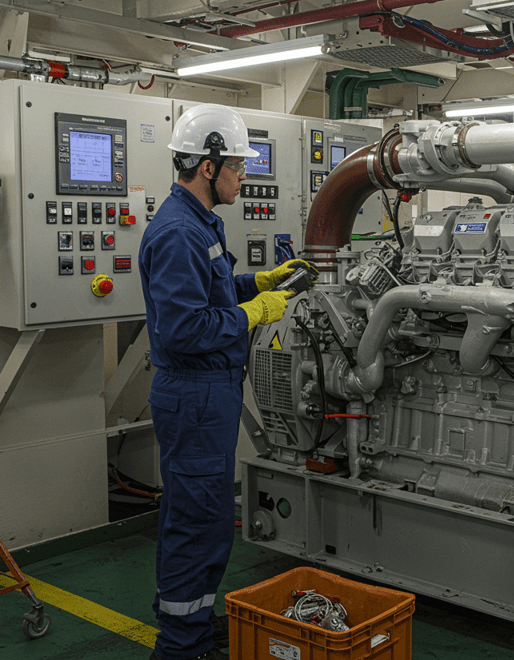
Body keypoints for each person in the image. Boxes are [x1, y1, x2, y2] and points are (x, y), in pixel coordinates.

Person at [139, 104, 313, 660]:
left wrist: (254, 283)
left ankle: (192, 623)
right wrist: (255, 311)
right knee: (197, 521)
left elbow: (208, 295)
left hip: (208, 392)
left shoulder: (198, 224)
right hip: (194, 392)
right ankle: (180, 646)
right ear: (207, 167)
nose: (244, 177)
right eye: (238, 167)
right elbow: (186, 328)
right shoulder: (176, 233)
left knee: (206, 517)